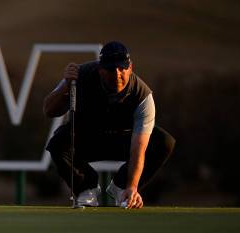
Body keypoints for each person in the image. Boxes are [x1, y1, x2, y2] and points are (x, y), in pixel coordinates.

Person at [43, 41, 175, 208]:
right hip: (88, 140)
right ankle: (86, 188)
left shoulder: (143, 96)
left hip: (123, 141)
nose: (117, 74)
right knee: (57, 143)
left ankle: (121, 189)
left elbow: (138, 149)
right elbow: (48, 110)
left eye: (122, 68)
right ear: (100, 69)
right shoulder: (80, 76)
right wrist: (66, 88)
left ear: (130, 67)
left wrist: (132, 186)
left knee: (163, 142)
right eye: (111, 69)